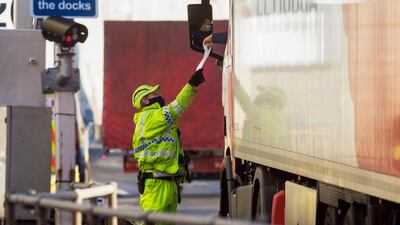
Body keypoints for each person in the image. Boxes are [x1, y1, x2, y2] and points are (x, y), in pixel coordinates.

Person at [131, 69, 205, 224]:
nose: (158, 95)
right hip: (157, 185)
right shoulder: (150, 117)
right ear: (144, 101)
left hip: (166, 183)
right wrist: (191, 85)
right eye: (153, 94)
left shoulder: (155, 120)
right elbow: (176, 108)